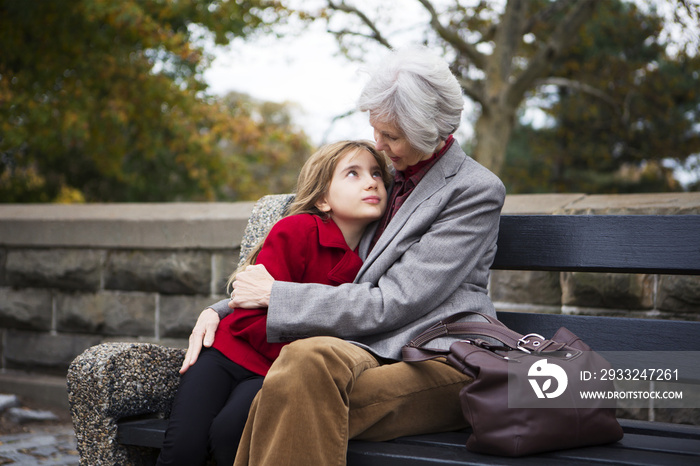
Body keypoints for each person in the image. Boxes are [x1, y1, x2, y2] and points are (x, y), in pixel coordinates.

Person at [183, 46, 506, 466]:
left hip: (440, 357)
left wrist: (276, 296)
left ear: (430, 130)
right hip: (362, 349)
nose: (379, 146)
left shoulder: (473, 191)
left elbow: (395, 301)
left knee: (283, 397)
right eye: (377, 131)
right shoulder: (388, 177)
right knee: (302, 360)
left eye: (390, 136)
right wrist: (223, 308)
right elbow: (322, 264)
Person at [156, 140, 391, 466]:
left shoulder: (373, 264)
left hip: (275, 374)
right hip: (227, 355)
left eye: (377, 173)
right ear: (323, 199)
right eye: (353, 173)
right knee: (183, 447)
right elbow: (247, 314)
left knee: (230, 435)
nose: (371, 181)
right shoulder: (297, 230)